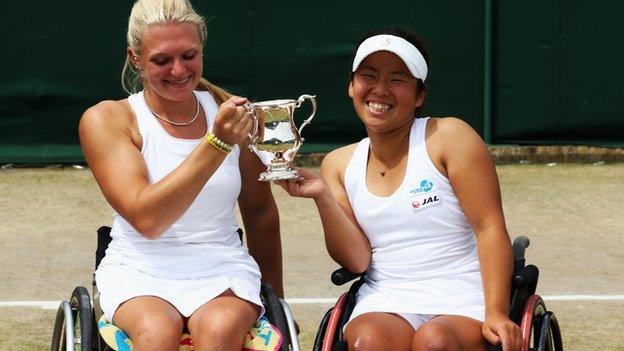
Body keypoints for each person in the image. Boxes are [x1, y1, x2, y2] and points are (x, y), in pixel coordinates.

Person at [279, 28, 522, 351]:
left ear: (419, 95)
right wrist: (323, 197)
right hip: (386, 296)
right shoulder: (337, 164)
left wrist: (496, 312)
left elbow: (489, 227)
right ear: (352, 86)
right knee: (368, 341)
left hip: (464, 294)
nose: (380, 90)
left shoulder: (450, 136)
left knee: (433, 342)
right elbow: (357, 260)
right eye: (368, 76)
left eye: (397, 79)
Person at [78, 0, 283, 350]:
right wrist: (217, 143)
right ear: (135, 58)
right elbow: (148, 219)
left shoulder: (233, 114)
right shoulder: (107, 119)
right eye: (161, 60)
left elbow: (260, 212)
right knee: (156, 333)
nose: (178, 70)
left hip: (222, 265)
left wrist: (278, 299)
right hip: (139, 266)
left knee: (219, 332)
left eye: (189, 56)